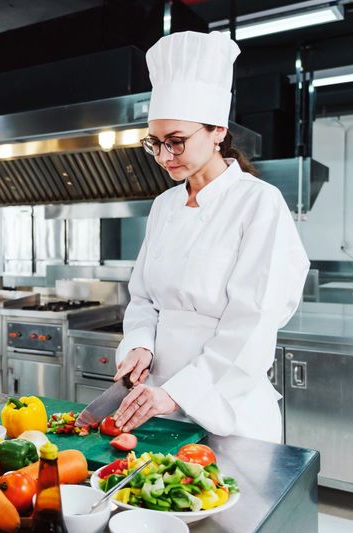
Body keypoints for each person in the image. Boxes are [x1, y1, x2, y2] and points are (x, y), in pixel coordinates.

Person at [112, 31, 309, 443]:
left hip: (227, 406)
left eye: (177, 142)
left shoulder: (258, 202)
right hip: (156, 401)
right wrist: (139, 345)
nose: (165, 157)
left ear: (217, 131)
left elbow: (254, 321)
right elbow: (144, 297)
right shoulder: (165, 205)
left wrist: (181, 393)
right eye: (155, 144)